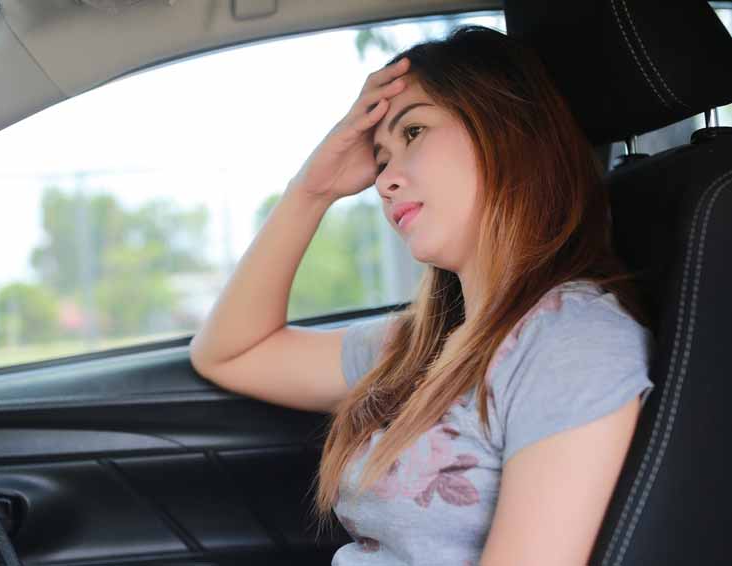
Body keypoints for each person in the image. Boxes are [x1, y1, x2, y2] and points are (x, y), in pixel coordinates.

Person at [189, 25, 655, 566]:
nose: (383, 180)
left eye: (413, 132)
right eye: (380, 159)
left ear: (504, 128)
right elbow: (228, 353)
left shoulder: (572, 340)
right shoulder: (420, 345)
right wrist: (312, 189)